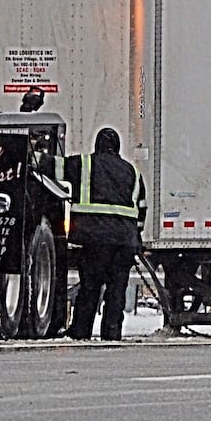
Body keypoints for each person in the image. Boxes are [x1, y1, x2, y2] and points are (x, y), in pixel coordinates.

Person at [60, 126, 147, 341]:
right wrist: (135, 237)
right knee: (117, 290)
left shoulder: (84, 164)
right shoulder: (132, 172)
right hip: (124, 243)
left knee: (90, 287)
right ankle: (112, 332)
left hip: (95, 241)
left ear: (97, 145)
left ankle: (81, 331)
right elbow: (141, 209)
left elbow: (55, 166)